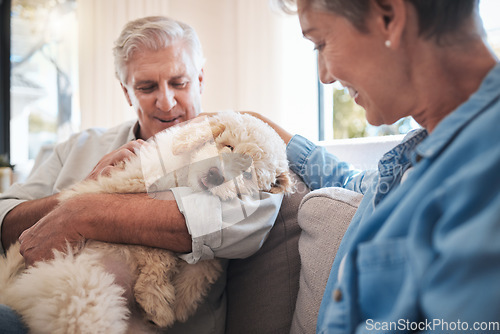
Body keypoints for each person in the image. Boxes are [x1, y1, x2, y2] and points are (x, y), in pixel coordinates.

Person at [0, 16, 283, 333]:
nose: (166, 101)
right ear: (126, 92)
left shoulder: (237, 150)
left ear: (200, 79)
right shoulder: (79, 147)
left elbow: (237, 221)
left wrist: (82, 210)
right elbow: (4, 218)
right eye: (146, 87)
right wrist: (82, 189)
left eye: (180, 83)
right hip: (27, 308)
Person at [257, 0, 500, 332]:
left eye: (321, 43)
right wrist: (263, 130)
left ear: (389, 16)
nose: (324, 76)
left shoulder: (484, 169)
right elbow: (352, 182)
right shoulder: (418, 157)